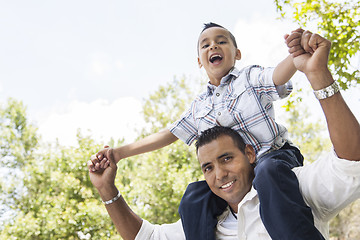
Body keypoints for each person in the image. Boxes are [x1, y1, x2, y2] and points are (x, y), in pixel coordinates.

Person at [88, 29, 360, 239]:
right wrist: (119, 153)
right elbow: (169, 134)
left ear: (237, 54)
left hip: (275, 160)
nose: (213, 46)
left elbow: (277, 76)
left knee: (267, 174)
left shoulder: (249, 79)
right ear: (199, 61)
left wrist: (297, 57)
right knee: (194, 195)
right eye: (205, 45)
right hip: (254, 172)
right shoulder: (199, 106)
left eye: (221, 41)